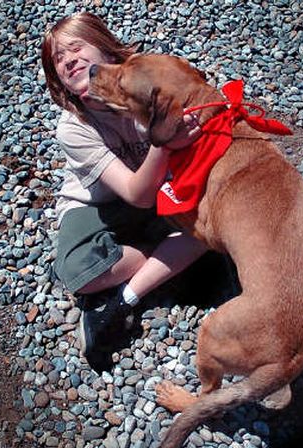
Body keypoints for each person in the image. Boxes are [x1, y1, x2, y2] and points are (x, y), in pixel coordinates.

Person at [41, 12, 207, 371]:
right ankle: (169, 258)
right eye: (58, 60)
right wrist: (163, 142)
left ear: (107, 50)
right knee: (77, 274)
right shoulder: (74, 128)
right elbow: (138, 195)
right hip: (100, 205)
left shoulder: (147, 82)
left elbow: (200, 116)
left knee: (213, 223)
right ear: (61, 84)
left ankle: (122, 301)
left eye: (76, 47)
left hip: (159, 190)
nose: (68, 60)